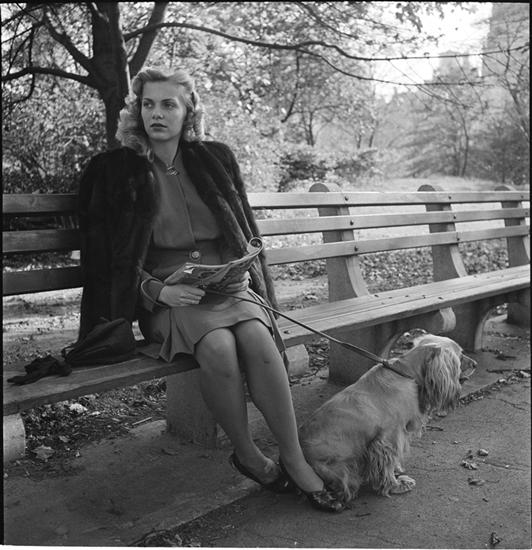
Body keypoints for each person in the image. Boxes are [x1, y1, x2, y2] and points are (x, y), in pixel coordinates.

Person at [78, 66, 343, 513]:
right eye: (148, 104)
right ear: (136, 111)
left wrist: (244, 270)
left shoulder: (213, 159)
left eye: (169, 104)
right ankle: (249, 456)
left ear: (188, 111)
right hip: (167, 297)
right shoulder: (113, 171)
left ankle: (293, 457)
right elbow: (105, 260)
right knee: (218, 346)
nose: (157, 113)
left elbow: (242, 232)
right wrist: (157, 292)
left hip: (226, 285)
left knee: (257, 338)